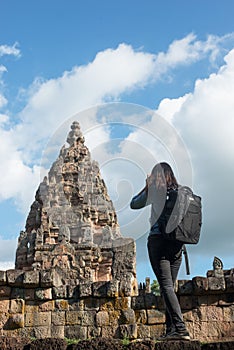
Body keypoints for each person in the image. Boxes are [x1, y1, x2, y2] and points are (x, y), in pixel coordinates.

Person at [130, 162, 190, 341]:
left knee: (166, 286)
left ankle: (180, 328)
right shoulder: (181, 192)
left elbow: (134, 203)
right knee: (169, 287)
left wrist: (147, 185)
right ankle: (172, 330)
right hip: (178, 245)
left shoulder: (155, 191)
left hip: (159, 242)